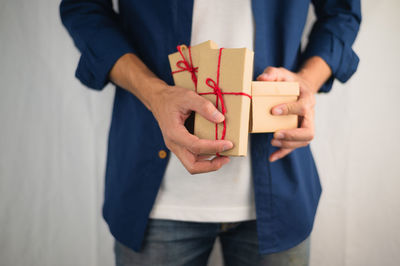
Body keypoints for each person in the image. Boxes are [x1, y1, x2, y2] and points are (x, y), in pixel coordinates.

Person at [60, 0, 361, 265]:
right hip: (153, 191)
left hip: (280, 183)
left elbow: (342, 12)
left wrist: (307, 81)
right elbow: (84, 8)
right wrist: (155, 94)